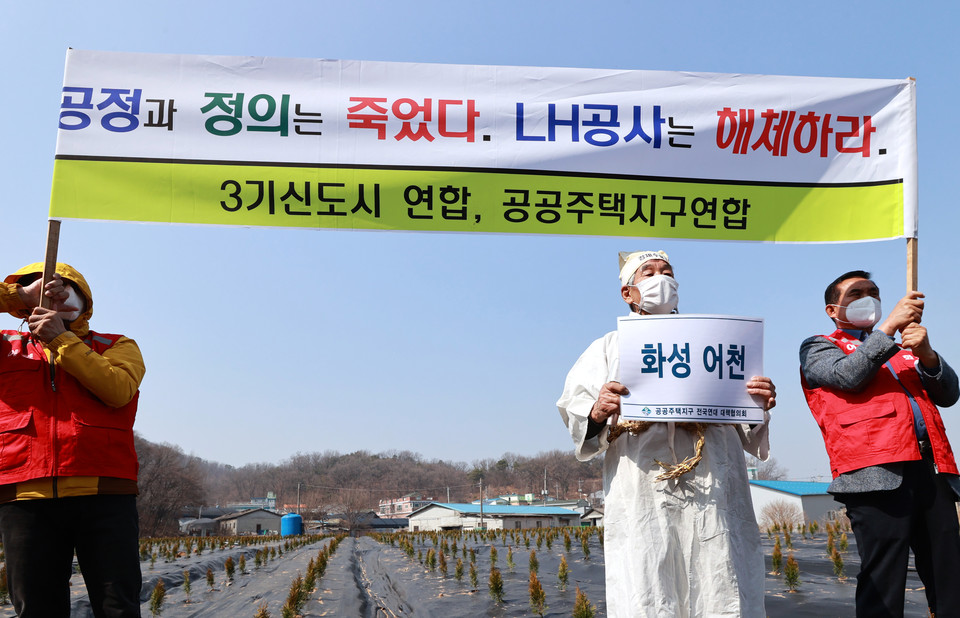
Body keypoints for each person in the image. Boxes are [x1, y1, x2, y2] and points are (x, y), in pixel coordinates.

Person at [556, 250, 776, 618]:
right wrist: (597, 410)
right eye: (649, 272)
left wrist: (758, 405)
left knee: (719, 576)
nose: (662, 279)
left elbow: (750, 433)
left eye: (667, 272)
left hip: (714, 482)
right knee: (649, 580)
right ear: (628, 292)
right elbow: (576, 410)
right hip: (643, 484)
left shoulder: (715, 343)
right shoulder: (608, 348)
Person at [800, 270, 960, 617]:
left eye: (873, 292)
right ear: (832, 310)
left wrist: (927, 354)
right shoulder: (819, 346)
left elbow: (949, 394)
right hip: (874, 474)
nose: (868, 298)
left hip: (930, 469)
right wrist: (888, 329)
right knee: (883, 578)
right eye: (856, 294)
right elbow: (847, 376)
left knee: (949, 573)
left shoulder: (904, 350)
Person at [0, 263, 145, 618]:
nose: (56, 292)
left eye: (67, 286)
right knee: (36, 609)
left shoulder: (117, 345)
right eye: (43, 287)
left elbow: (118, 389)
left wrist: (61, 340)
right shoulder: (7, 347)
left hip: (105, 494)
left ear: (84, 299)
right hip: (24, 496)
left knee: (118, 607)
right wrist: (17, 296)